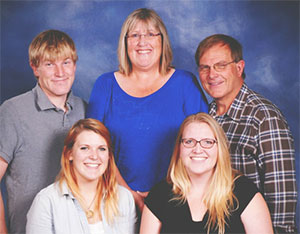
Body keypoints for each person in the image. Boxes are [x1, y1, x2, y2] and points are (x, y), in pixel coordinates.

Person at [87, 8, 208, 212]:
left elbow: (204, 147)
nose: (142, 42)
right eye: (134, 35)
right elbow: (92, 148)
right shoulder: (105, 85)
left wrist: (163, 194)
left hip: (178, 198)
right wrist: (127, 193)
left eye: (151, 34)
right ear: (125, 42)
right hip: (114, 199)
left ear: (163, 41)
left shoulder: (185, 83)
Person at [195, 34, 297, 233]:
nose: (211, 75)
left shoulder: (264, 118)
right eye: (204, 67)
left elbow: (281, 203)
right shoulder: (205, 116)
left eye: (220, 65)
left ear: (239, 67)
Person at [0, 29, 86, 233]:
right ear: (35, 68)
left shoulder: (85, 110)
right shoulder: (13, 112)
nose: (60, 72)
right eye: (50, 64)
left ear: (74, 65)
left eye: (66, 62)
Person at [140, 112, 273, 234]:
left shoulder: (245, 192)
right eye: (189, 142)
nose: (197, 149)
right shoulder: (159, 195)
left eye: (207, 142)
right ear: (179, 147)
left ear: (219, 148)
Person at [26, 118, 136, 234]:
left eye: (101, 149)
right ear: (69, 154)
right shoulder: (46, 201)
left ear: (109, 156)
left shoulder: (124, 198)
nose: (94, 156)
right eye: (85, 148)